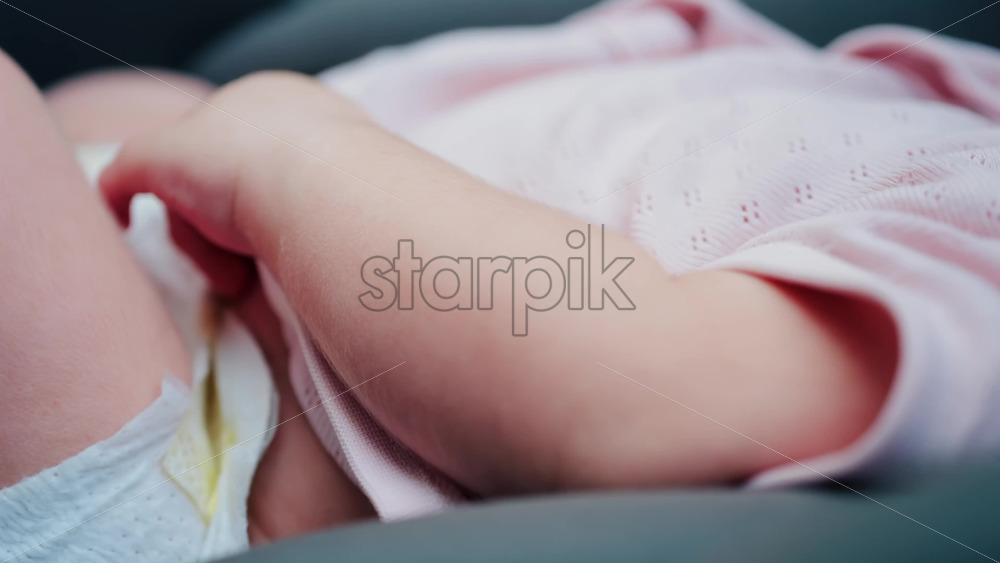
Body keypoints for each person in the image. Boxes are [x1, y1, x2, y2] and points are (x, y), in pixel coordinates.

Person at [2, 0, 1000, 561]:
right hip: (200, 295)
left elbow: (650, 400)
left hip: (209, 471)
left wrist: (295, 152)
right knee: (114, 96)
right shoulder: (892, 77)